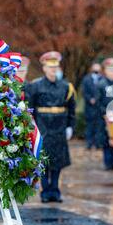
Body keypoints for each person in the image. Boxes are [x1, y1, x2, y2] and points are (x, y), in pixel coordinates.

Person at [27, 51, 76, 203]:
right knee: (44, 161)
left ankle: (55, 190)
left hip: (59, 127)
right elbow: (30, 108)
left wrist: (70, 126)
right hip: (43, 127)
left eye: (55, 67)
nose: (54, 69)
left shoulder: (66, 86)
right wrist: (32, 127)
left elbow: (71, 108)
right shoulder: (36, 86)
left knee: (57, 161)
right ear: (44, 68)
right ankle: (45, 191)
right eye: (50, 67)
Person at [81, 63, 102, 149]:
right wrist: (90, 99)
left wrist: (96, 99)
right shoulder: (86, 79)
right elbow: (84, 91)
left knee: (99, 126)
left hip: (99, 107)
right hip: (89, 107)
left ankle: (98, 143)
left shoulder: (102, 79)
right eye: (95, 67)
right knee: (89, 126)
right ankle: (89, 144)